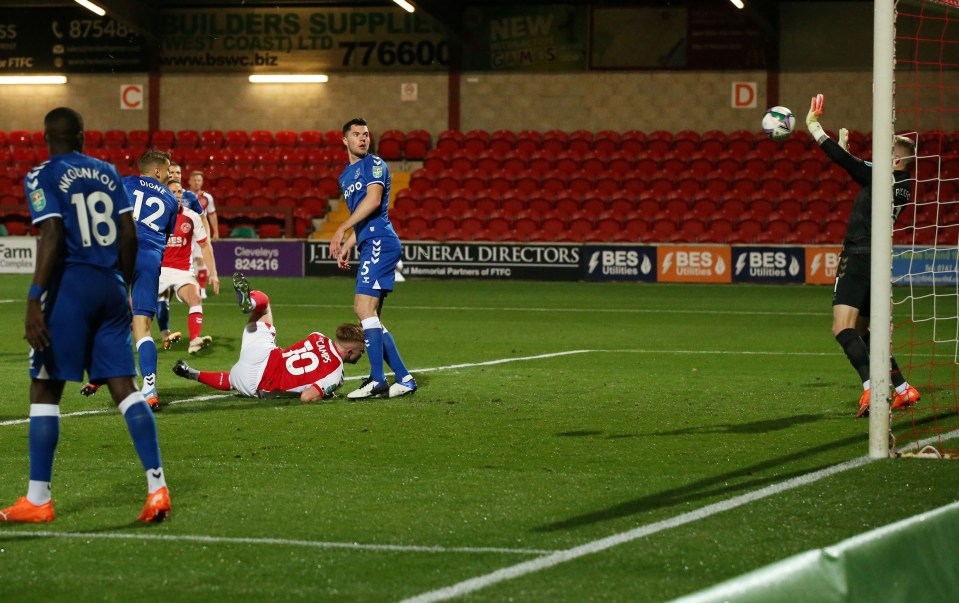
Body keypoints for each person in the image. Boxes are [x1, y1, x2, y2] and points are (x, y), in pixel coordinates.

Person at [1, 107, 170, 523]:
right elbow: (128, 234)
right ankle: (157, 488)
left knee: (45, 389)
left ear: (46, 136)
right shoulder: (108, 171)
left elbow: (53, 233)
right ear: (81, 134)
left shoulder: (42, 174)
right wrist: (120, 283)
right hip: (112, 285)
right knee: (124, 387)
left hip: (70, 287)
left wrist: (33, 297)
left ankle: (38, 499)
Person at [806, 93, 921, 417]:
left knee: (842, 327)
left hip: (858, 255)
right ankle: (902, 389)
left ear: (896, 161)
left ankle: (872, 389)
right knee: (866, 332)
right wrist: (847, 150)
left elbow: (849, 166)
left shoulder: (884, 175)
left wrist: (815, 129)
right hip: (879, 260)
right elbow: (861, 167)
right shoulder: (901, 182)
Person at [80, 149, 180, 410]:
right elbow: (164, 238)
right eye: (168, 170)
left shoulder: (124, 183)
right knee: (142, 328)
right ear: (157, 171)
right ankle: (149, 389)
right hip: (148, 259)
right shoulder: (171, 200)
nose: (170, 174)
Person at [172, 272, 366, 400]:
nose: (363, 353)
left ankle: (252, 302)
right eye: (361, 350)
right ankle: (195, 374)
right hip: (260, 383)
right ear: (349, 352)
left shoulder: (317, 336)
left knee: (264, 308)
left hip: (261, 353)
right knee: (234, 379)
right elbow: (307, 396)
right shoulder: (336, 373)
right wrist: (326, 394)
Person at [330, 118, 417, 399]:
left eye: (366, 134)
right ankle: (403, 379)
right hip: (369, 242)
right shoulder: (345, 176)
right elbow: (363, 218)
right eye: (356, 134)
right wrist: (349, 243)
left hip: (381, 240)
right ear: (345, 140)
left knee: (362, 308)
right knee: (373, 318)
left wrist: (341, 228)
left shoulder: (375, 164)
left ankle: (378, 379)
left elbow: (374, 202)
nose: (362, 138)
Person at [159, 180, 220, 355]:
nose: (177, 195)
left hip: (182, 271)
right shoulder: (154, 216)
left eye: (179, 192)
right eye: (173, 191)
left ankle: (194, 341)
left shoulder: (192, 216)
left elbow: (205, 245)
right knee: (139, 308)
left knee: (195, 296)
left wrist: (213, 273)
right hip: (158, 270)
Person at [188, 170, 218, 299]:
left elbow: (211, 214)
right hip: (186, 232)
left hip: (200, 232)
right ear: (189, 181)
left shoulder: (207, 197)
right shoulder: (184, 196)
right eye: (194, 180)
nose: (196, 183)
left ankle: (202, 288)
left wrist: (215, 231)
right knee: (188, 262)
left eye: (199, 180)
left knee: (201, 260)